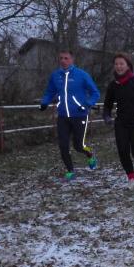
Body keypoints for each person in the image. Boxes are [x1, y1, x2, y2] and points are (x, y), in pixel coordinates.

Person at [39, 49, 100, 180]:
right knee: (63, 145)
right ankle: (70, 170)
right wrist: (44, 102)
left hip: (79, 115)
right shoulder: (55, 76)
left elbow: (95, 93)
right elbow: (49, 92)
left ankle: (90, 154)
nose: (63, 61)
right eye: (61, 58)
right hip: (62, 116)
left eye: (66, 58)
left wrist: (87, 104)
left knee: (78, 146)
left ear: (72, 59)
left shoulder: (82, 75)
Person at [102, 52, 134, 189]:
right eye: (116, 64)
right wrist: (107, 116)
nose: (119, 66)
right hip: (121, 123)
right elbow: (107, 105)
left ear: (128, 66)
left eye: (121, 64)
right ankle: (131, 178)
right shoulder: (113, 85)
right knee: (123, 151)